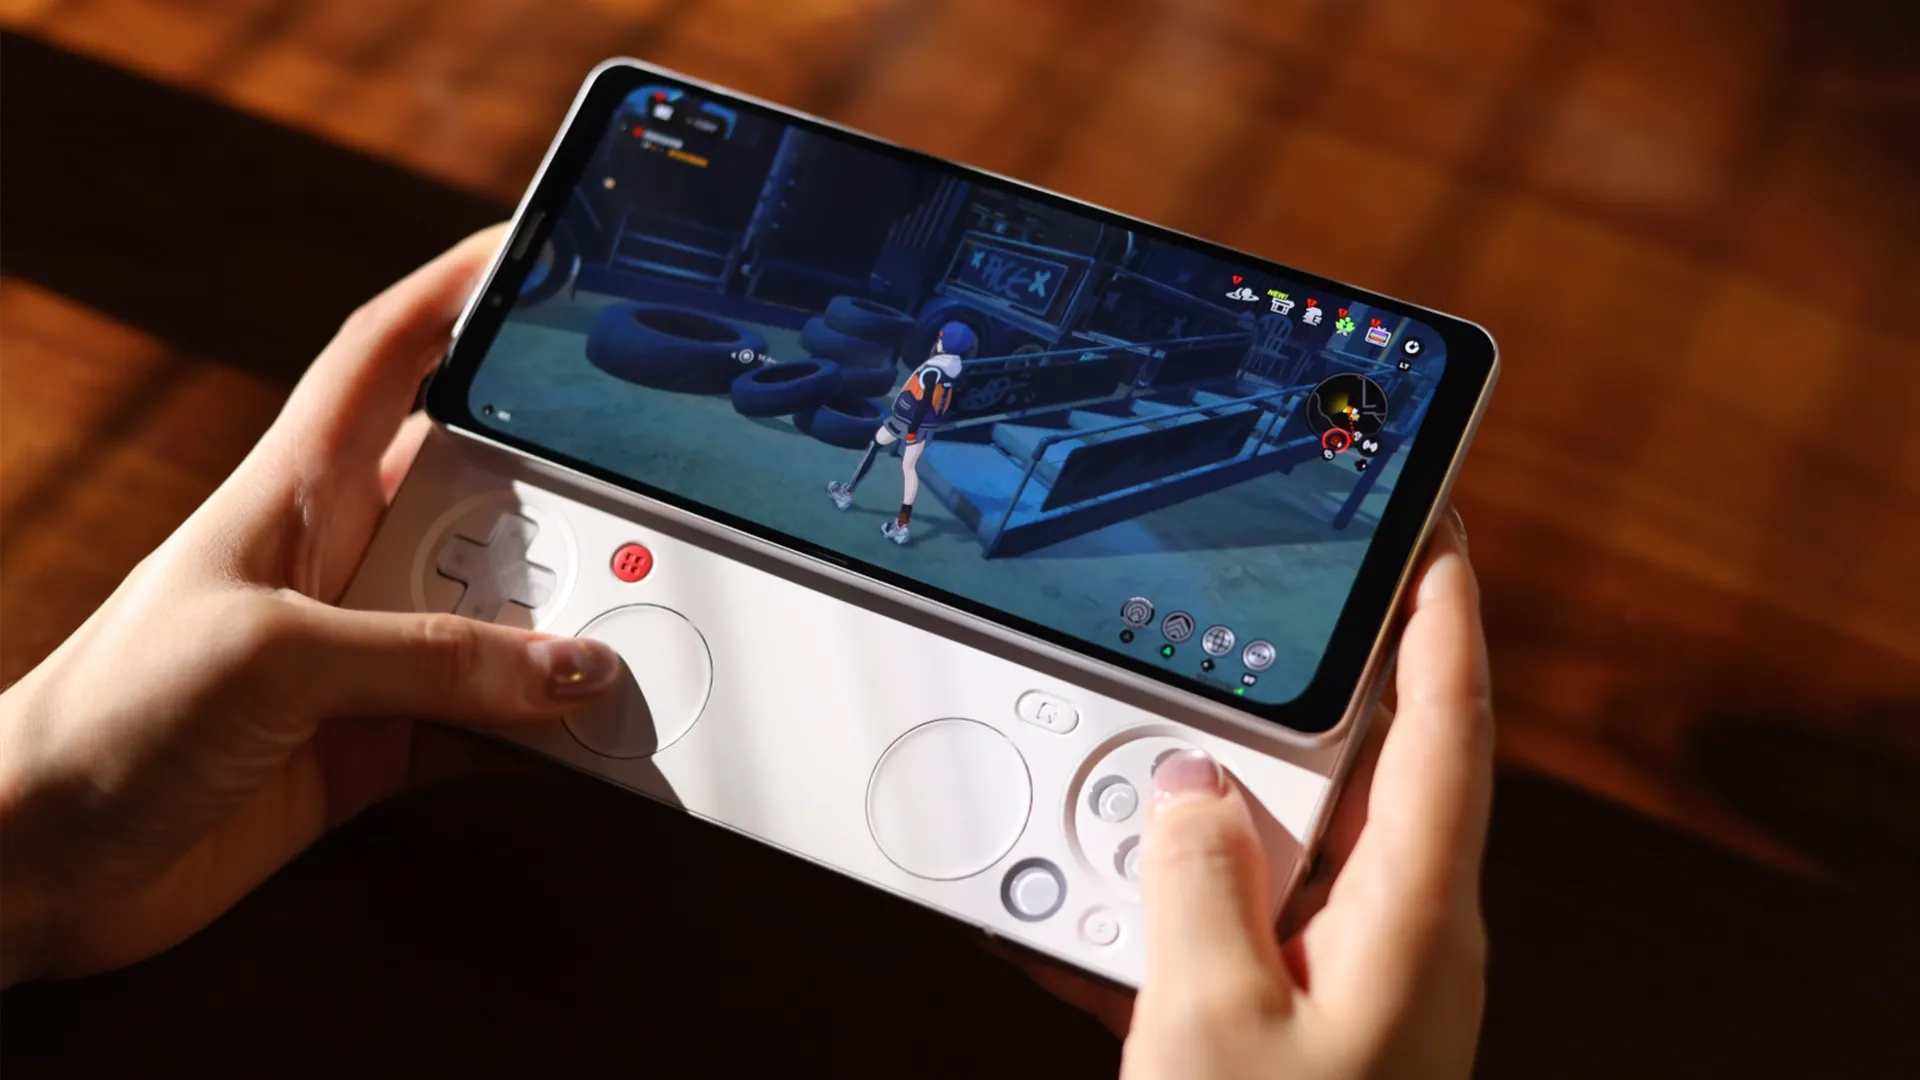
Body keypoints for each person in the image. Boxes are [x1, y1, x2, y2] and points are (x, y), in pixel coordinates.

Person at [0, 228, 1492, 1079]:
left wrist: (41, 851)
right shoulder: (919, 371)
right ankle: (870, 503)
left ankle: (874, 505)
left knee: (893, 480)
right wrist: (36, 849)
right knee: (885, 475)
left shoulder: (951, 375)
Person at [826, 321, 973, 545]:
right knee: (909, 467)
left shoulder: (934, 369)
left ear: (945, 343)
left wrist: (911, 431)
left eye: (941, 338)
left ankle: (846, 494)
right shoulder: (954, 368)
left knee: (876, 444)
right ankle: (902, 525)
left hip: (906, 420)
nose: (938, 341)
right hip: (926, 425)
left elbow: (923, 403)